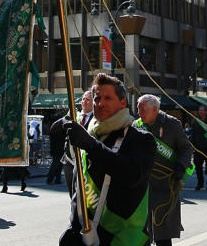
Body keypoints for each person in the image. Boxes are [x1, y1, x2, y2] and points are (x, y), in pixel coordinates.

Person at [58, 73, 156, 246]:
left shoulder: (141, 139)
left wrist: (91, 146)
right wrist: (72, 228)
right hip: (85, 237)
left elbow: (132, 175)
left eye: (107, 98)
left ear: (123, 103)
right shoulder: (87, 136)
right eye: (97, 98)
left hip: (123, 239)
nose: (100, 103)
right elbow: (78, 192)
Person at [134, 94, 193, 246]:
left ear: (154, 109)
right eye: (138, 108)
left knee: (163, 230)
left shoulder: (172, 124)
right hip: (142, 185)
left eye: (142, 109)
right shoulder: (136, 125)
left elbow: (186, 148)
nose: (139, 112)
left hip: (166, 185)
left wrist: (181, 166)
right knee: (141, 230)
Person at [61, 91, 95, 192]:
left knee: (83, 194)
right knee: (72, 194)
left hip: (84, 161)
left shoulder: (96, 118)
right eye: (83, 99)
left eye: (88, 100)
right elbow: (58, 130)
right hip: (69, 161)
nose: (84, 102)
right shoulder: (75, 116)